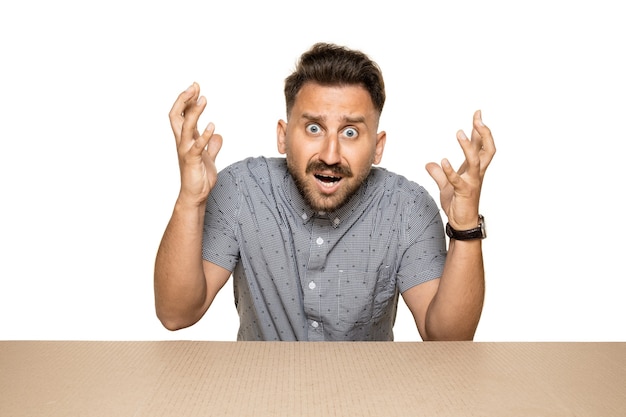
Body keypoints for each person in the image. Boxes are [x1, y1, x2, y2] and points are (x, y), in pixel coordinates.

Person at [154, 42, 495, 341]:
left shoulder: (407, 208)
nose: (330, 155)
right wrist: (190, 200)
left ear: (377, 147)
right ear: (283, 137)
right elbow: (177, 314)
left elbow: (448, 340)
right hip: (260, 395)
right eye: (314, 128)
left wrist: (464, 225)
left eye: (350, 132)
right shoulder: (241, 190)